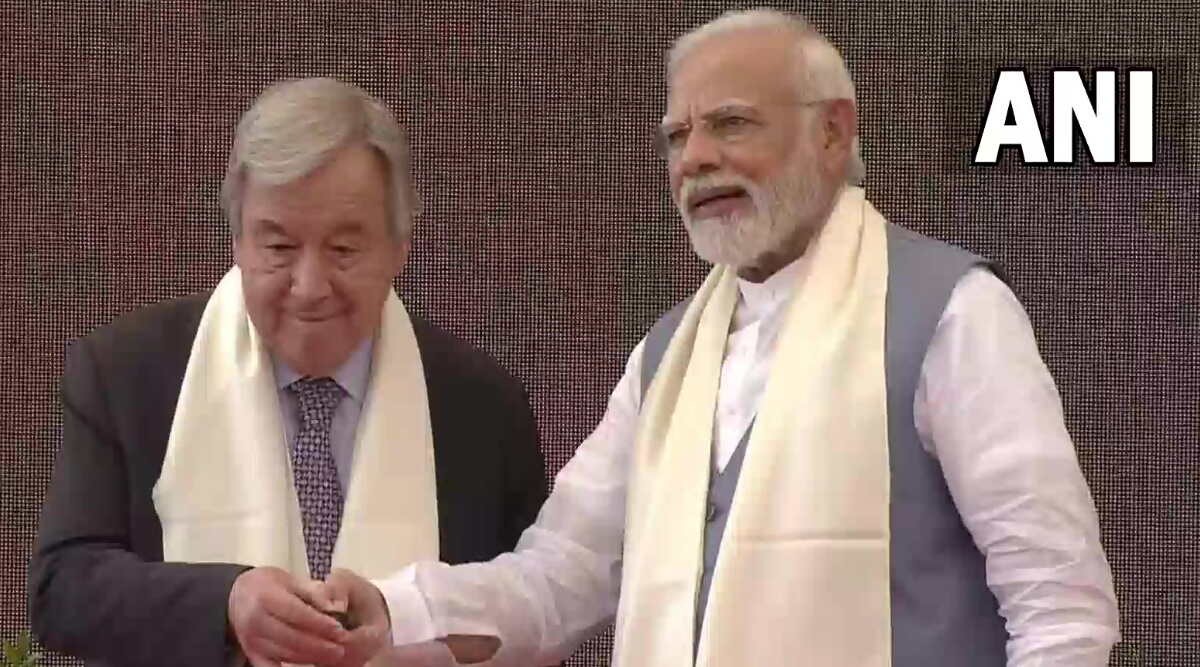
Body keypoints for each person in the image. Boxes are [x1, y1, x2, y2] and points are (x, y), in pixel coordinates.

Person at [332, 9, 1121, 667]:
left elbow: (1061, 608)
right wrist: (398, 609)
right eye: (677, 136)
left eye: (730, 124)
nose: (696, 159)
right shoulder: (668, 356)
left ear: (832, 133)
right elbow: (559, 577)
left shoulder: (953, 313)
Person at [29, 77, 548, 667]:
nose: (309, 288)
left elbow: (532, 613)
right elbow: (61, 589)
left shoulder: (482, 407)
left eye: (343, 250)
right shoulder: (127, 374)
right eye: (278, 249)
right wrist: (226, 603)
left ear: (400, 247)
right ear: (238, 242)